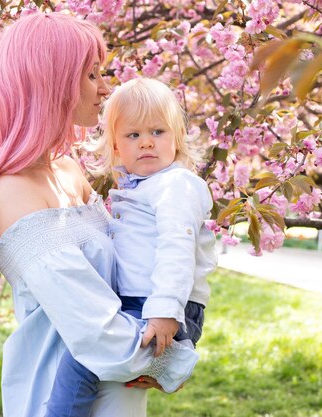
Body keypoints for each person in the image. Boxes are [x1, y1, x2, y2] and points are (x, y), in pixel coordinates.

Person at [0, 13, 199, 417]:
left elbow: (130, 266)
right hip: (60, 395)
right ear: (52, 81)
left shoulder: (68, 170)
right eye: (91, 76)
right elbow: (95, 329)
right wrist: (172, 360)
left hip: (118, 390)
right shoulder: (12, 189)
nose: (105, 89)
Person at [45, 78, 217, 416]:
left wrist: (165, 311)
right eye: (133, 135)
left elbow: (177, 245)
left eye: (158, 131)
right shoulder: (141, 188)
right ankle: (168, 362)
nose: (147, 143)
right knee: (88, 359)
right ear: (115, 146)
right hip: (142, 301)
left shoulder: (176, 184)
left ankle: (174, 358)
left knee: (81, 359)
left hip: (160, 304)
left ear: (177, 137)